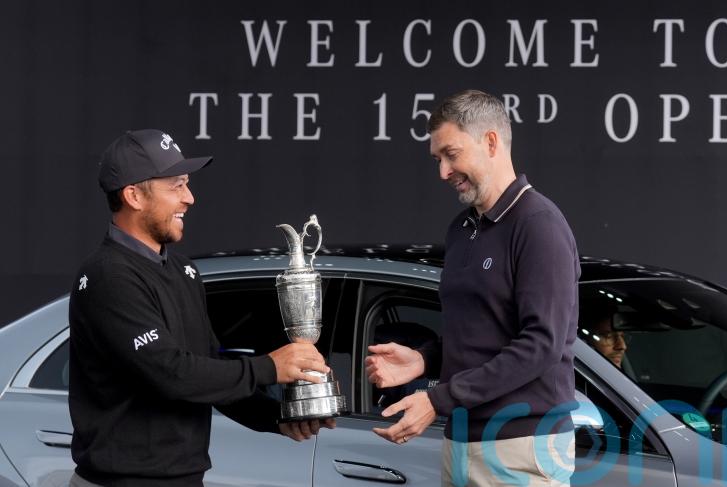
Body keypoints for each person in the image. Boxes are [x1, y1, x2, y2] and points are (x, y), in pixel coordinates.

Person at [68, 129, 333, 487]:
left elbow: (207, 370)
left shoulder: (183, 270)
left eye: (187, 184)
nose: (189, 198)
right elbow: (170, 373)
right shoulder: (108, 276)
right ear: (134, 195)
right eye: (176, 185)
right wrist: (269, 367)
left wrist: (277, 417)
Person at [365, 90, 580, 486]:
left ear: (491, 142)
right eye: (437, 159)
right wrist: (424, 360)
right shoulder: (462, 230)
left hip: (521, 446)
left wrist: (437, 399)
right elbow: (482, 332)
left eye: (451, 154)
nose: (443, 172)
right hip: (461, 440)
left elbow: (541, 345)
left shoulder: (539, 226)